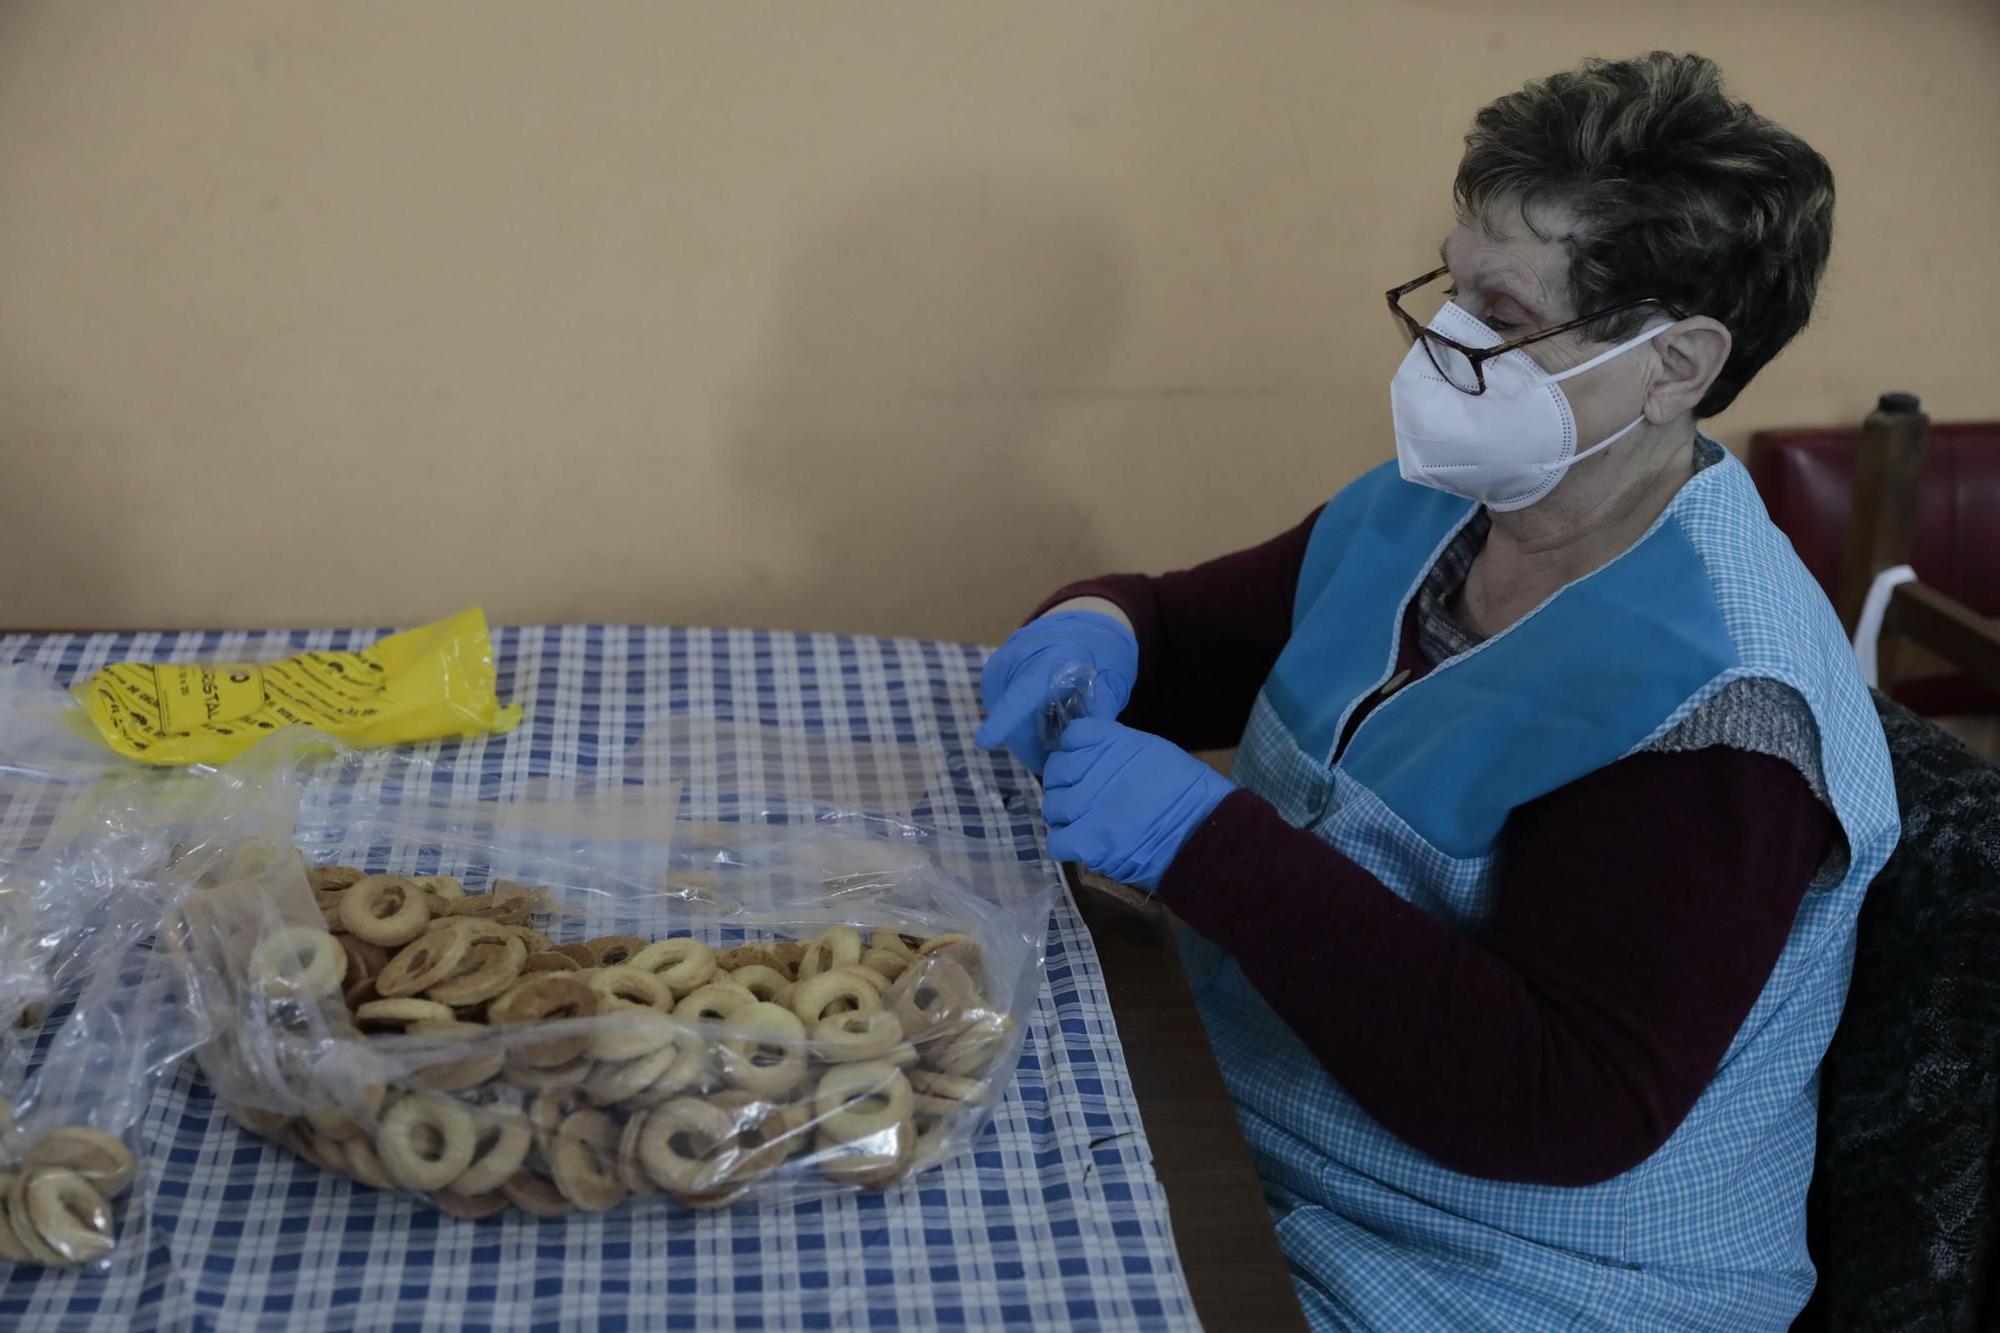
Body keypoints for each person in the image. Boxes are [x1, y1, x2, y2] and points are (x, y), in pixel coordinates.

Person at [976, 52, 1897, 1331]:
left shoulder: (1722, 710)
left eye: (1504, 318)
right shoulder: (1450, 501)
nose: (1448, 344)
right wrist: (1094, 625)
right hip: (1270, 1120)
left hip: (1505, 1266)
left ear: (1675, 365)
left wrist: (1203, 841)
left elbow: (1554, 1101)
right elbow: (1190, 630)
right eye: (1451, 289)